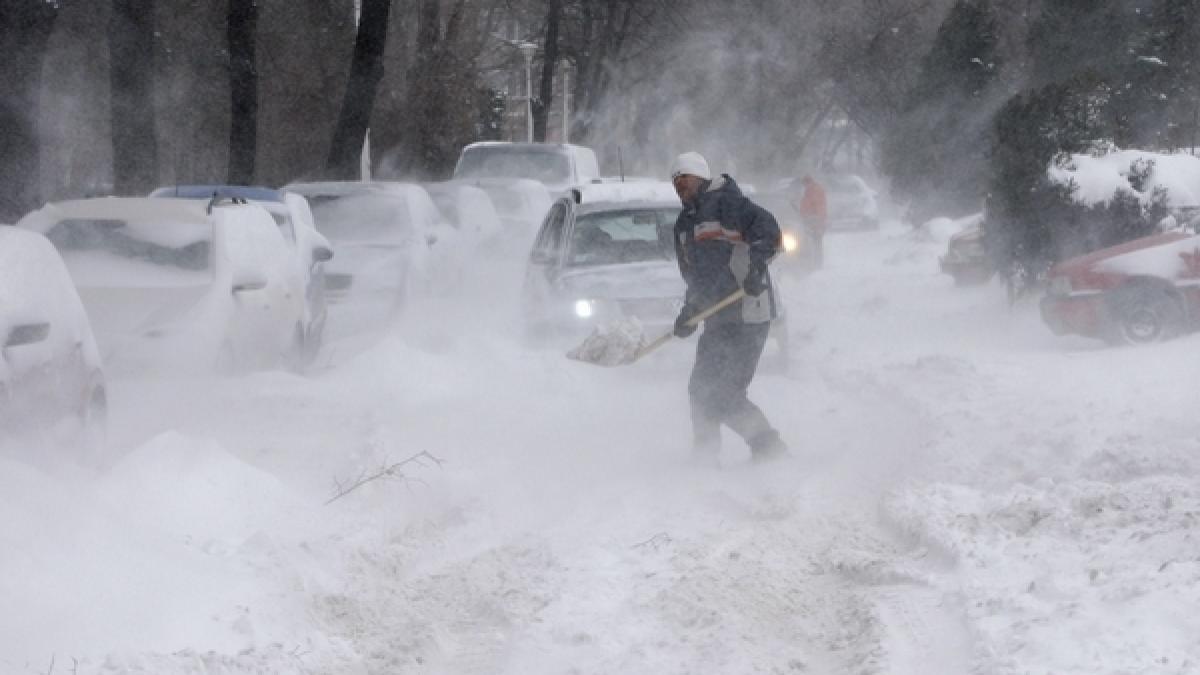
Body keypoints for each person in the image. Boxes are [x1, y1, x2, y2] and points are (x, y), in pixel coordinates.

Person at [669, 151, 788, 464]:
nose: (680, 187)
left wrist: (756, 267)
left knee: (725, 393)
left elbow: (769, 231)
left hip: (750, 313)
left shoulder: (728, 203)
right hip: (718, 318)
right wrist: (689, 313)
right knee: (700, 389)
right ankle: (706, 455)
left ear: (701, 177)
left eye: (685, 179)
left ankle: (769, 449)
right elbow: (697, 277)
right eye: (675, 183)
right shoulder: (684, 225)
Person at [794, 174, 827, 268]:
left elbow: (817, 205)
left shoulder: (814, 190)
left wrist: (816, 219)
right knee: (814, 242)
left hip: (814, 220)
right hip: (812, 219)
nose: (804, 186)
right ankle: (816, 261)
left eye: (804, 183)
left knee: (816, 242)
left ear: (807, 182)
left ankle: (817, 263)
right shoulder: (811, 190)